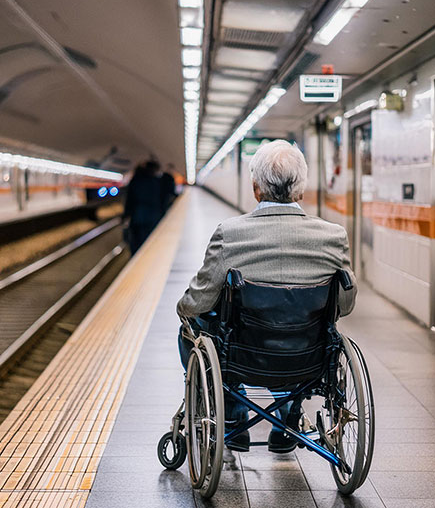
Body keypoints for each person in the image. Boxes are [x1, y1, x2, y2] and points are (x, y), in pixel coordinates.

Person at [176, 139, 357, 453]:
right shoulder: (334, 236)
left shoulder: (229, 233)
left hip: (243, 356)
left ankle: (233, 417)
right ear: (300, 190)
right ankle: (288, 416)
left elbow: (199, 302)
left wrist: (184, 308)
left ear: (255, 188)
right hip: (306, 356)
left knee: (193, 330)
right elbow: (345, 304)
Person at [123, 160, 163, 254]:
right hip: (152, 217)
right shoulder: (155, 181)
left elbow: (129, 200)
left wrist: (126, 215)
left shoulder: (136, 180)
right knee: (149, 242)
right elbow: (160, 199)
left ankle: (135, 259)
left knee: (136, 242)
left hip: (138, 216)